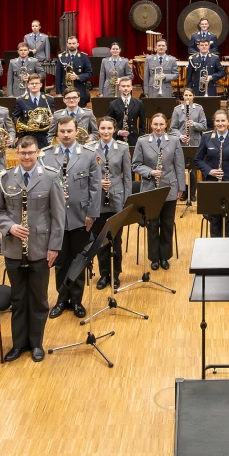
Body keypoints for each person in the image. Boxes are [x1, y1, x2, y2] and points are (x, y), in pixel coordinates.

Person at [0, 136, 63, 362]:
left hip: (40, 248)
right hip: (13, 248)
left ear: (38, 152)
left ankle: (36, 343)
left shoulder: (50, 176)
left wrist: (54, 247)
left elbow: (58, 216)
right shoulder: (5, 178)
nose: (27, 157)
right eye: (23, 153)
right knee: (19, 299)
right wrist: (9, 227)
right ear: (16, 153)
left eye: (31, 153)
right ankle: (18, 344)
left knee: (39, 300)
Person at [42, 117, 99, 319]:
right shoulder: (46, 155)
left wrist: (92, 213)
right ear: (57, 133)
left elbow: (95, 186)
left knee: (77, 261)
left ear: (76, 132)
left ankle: (76, 300)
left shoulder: (88, 155)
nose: (65, 135)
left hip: (80, 217)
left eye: (69, 131)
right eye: (62, 131)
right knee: (60, 261)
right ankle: (61, 299)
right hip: (55, 219)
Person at [133, 113, 185, 269]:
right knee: (152, 224)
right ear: (151, 125)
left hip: (169, 187)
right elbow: (135, 165)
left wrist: (181, 187)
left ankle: (165, 256)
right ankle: (154, 258)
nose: (158, 127)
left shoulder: (174, 141)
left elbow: (179, 166)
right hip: (150, 189)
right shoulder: (142, 141)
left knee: (168, 224)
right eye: (155, 124)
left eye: (161, 124)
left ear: (166, 125)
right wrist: (150, 172)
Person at [90, 117, 132, 290]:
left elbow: (128, 177)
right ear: (98, 130)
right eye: (102, 128)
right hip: (98, 199)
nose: (105, 132)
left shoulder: (122, 148)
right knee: (101, 239)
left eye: (109, 128)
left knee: (115, 240)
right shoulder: (91, 148)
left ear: (114, 130)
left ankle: (115, 274)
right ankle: (103, 274)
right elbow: (88, 175)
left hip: (116, 199)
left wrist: (127, 202)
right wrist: (99, 183)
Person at [195, 109, 229, 237]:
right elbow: (198, 159)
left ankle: (227, 249)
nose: (220, 123)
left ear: (228, 122)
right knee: (214, 218)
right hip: (212, 184)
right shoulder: (206, 137)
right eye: (217, 121)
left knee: (228, 219)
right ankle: (215, 250)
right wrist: (209, 171)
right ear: (214, 122)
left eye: (223, 121)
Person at [13, 73, 55, 149]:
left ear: (41, 85)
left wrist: (53, 119)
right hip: (27, 137)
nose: (34, 85)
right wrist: (23, 126)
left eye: (36, 83)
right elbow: (15, 116)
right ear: (28, 85)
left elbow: (53, 115)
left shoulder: (48, 100)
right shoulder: (21, 101)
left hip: (43, 137)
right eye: (32, 83)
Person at [55, 35, 93, 99]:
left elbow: (90, 73)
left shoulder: (84, 57)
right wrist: (58, 92)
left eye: (73, 43)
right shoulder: (61, 57)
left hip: (80, 90)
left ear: (78, 44)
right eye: (69, 43)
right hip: (65, 91)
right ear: (67, 44)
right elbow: (58, 76)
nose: (71, 45)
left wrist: (78, 77)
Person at [108, 76, 144, 145]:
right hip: (117, 139)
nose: (126, 88)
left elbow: (142, 125)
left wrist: (141, 139)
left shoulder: (139, 103)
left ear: (131, 88)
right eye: (123, 86)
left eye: (128, 86)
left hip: (133, 138)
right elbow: (109, 123)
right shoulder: (113, 104)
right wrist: (118, 132)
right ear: (119, 88)